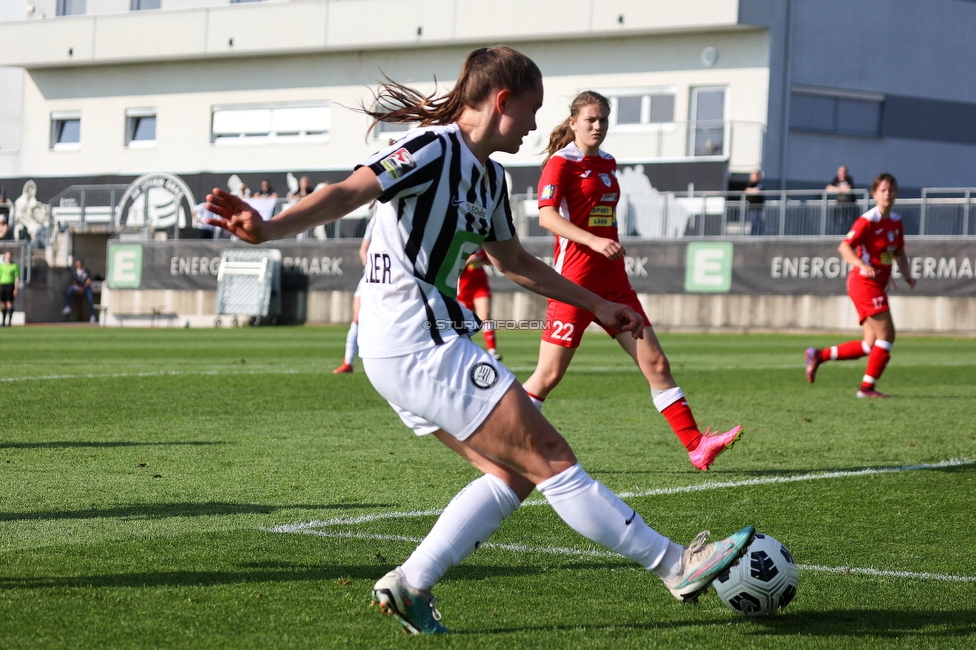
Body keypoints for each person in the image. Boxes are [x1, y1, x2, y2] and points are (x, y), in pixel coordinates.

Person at [205, 46, 754, 636]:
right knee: (552, 458)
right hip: (417, 340)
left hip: (413, 346)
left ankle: (412, 584)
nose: (540, 125)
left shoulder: (490, 177)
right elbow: (347, 192)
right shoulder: (431, 148)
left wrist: (597, 304)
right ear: (501, 102)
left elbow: (513, 261)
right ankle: (676, 564)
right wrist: (268, 228)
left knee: (513, 474)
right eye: (533, 109)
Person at [521, 91, 743, 472]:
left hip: (614, 284)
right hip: (574, 284)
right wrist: (592, 240)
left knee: (656, 362)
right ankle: (505, 441)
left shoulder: (608, 163)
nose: (597, 126)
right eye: (590, 119)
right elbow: (546, 217)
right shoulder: (561, 164)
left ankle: (696, 445)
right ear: (573, 122)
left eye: (603, 119)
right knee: (549, 375)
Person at [806, 173, 916, 397]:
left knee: (870, 343)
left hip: (878, 284)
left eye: (891, 190)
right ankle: (867, 388)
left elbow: (900, 251)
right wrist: (861, 264)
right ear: (874, 193)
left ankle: (819, 355)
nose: (888, 194)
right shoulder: (867, 220)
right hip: (864, 283)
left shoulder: (895, 221)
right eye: (883, 190)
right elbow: (844, 247)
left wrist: (907, 274)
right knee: (887, 336)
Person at [333, 210, 376, 374]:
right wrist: (367, 262)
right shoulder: (375, 220)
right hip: (370, 277)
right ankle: (348, 362)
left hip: (393, 279)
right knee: (357, 319)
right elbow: (363, 249)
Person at [456, 246, 501, 360]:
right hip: (463, 286)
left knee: (485, 315)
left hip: (480, 285)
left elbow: (489, 261)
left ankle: (492, 351)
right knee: (464, 321)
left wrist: (482, 259)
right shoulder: (460, 242)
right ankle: (463, 350)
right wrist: (468, 260)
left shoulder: (480, 244)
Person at [61, 258, 96, 323]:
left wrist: (83, 287)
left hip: (85, 287)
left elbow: (88, 281)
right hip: (78, 287)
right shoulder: (75, 272)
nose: (79, 264)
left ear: (82, 264)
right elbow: (74, 282)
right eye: (78, 263)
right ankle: (68, 307)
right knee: (70, 289)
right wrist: (79, 288)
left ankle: (92, 315)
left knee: (90, 298)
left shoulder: (86, 271)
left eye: (80, 263)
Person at [826, 165, 856, 234]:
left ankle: (848, 235)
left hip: (849, 205)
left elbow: (848, 188)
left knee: (849, 221)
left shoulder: (849, 179)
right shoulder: (836, 179)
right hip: (839, 204)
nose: (842, 173)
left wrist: (837, 190)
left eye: (844, 172)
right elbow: (828, 188)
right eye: (841, 171)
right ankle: (839, 235)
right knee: (838, 221)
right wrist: (840, 190)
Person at [0, 251, 19, 326]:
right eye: (7, 255)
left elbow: (17, 278)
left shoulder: (14, 266)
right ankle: (3, 322)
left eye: (9, 255)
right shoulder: (2, 266)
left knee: (9, 303)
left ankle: (9, 322)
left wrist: (16, 288)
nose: (8, 257)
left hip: (10, 286)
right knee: (2, 303)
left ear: (11, 256)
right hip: (2, 285)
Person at [745, 169, 765, 235]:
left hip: (758, 207)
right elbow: (747, 190)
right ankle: (752, 235)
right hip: (752, 207)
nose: (751, 177)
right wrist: (752, 190)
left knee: (757, 222)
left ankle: (757, 235)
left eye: (753, 176)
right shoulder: (750, 184)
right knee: (753, 222)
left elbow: (757, 190)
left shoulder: (759, 184)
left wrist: (752, 190)